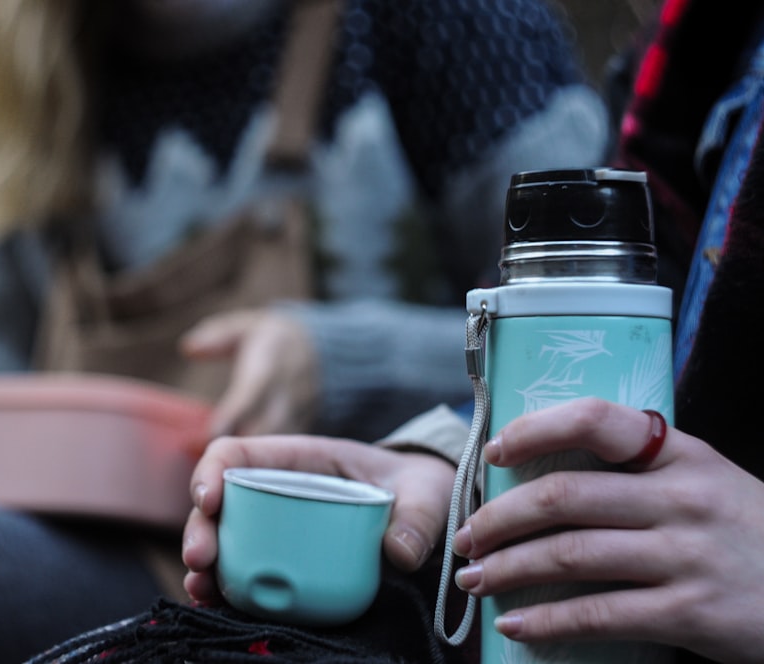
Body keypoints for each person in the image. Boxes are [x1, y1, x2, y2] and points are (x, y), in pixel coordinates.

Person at [0, 0, 608, 661]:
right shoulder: (18, 69)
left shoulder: (448, 25)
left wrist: (342, 360)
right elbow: (1, 440)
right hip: (132, 568)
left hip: (399, 575)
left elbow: (609, 349)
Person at [96, 0, 763, 661]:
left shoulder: (456, 25)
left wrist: (342, 362)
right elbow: (655, 325)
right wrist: (450, 460)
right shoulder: (703, 38)